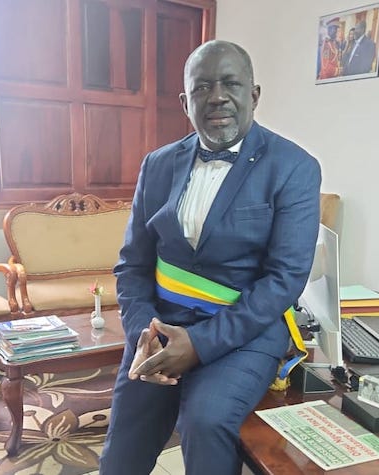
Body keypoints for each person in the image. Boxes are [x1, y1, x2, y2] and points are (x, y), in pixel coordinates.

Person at [99, 39, 321, 475]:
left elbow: (285, 278)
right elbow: (133, 265)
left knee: (205, 421)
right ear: (186, 103)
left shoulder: (294, 167)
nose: (217, 96)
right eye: (202, 87)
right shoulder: (157, 165)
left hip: (243, 332)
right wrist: (144, 332)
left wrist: (200, 345)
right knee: (122, 449)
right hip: (159, 328)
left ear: (254, 94)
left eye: (230, 84)